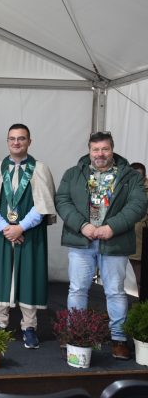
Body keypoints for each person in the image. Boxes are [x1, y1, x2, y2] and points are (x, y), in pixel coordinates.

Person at [55, 131, 148, 360]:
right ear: (89, 150)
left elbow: (138, 205)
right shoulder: (73, 173)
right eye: (95, 149)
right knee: (77, 289)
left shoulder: (129, 176)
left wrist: (112, 227)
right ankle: (75, 333)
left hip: (114, 241)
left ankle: (118, 339)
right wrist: (82, 225)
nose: (100, 154)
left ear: (112, 149)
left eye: (105, 149)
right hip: (82, 241)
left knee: (115, 291)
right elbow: (62, 201)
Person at [0, 123, 56, 349]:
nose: (16, 142)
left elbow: (43, 204)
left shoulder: (40, 169)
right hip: (1, 233)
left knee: (29, 277)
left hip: (30, 233)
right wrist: (6, 228)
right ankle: (0, 322)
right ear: (7, 141)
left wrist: (20, 227)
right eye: (12, 138)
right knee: (0, 275)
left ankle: (29, 326)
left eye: (21, 138)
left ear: (30, 141)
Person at [129, 162, 148, 295]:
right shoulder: (125, 190)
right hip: (132, 242)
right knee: (139, 278)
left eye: (139, 177)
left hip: (144, 239)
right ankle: (142, 303)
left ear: (144, 177)